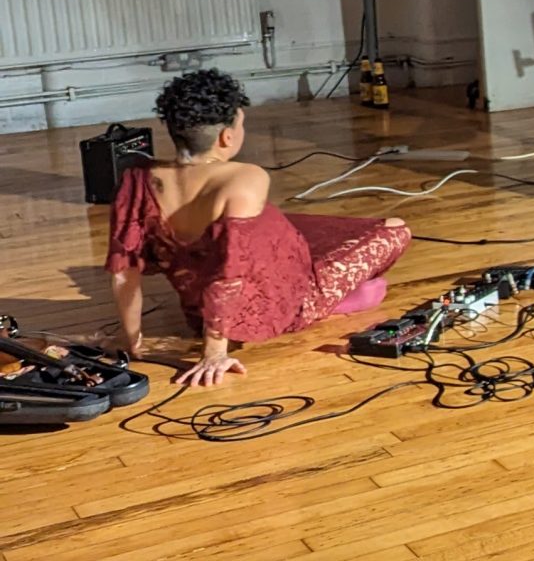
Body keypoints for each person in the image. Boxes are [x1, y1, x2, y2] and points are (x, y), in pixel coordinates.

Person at [107, 69, 412, 390]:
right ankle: (331, 302)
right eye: (241, 124)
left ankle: (343, 292)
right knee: (394, 228)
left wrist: (132, 339)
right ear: (227, 136)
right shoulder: (244, 177)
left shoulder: (138, 177)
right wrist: (214, 353)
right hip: (278, 305)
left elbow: (123, 272)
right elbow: (228, 273)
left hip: (201, 312)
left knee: (280, 221)